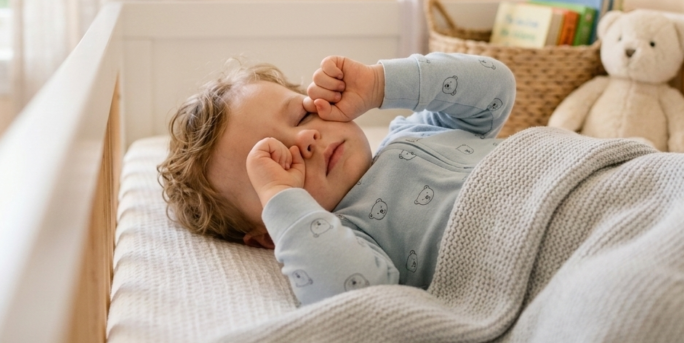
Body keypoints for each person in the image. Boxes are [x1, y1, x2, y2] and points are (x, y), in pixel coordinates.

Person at [159, 53, 515, 305]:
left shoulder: (418, 128)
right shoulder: (354, 240)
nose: (305, 140)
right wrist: (283, 198)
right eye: (277, 162)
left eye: (300, 116)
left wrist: (381, 84)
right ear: (270, 233)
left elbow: (495, 90)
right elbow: (361, 298)